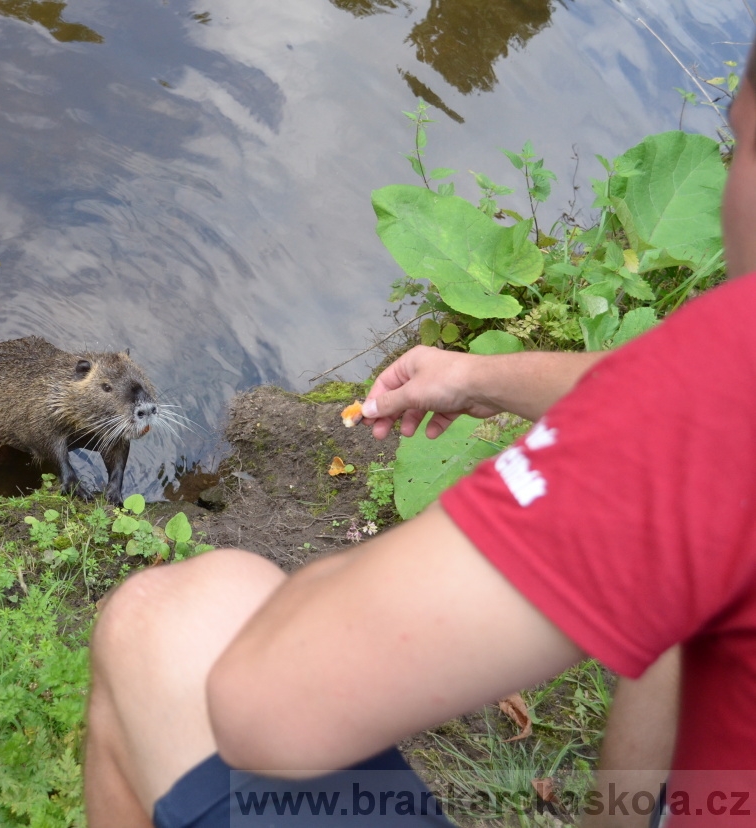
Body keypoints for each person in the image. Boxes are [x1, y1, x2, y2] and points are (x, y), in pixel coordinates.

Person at [83, 41, 756, 828]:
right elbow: (680, 395)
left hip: (269, 700)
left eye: (738, 142)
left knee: (157, 619)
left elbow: (263, 710)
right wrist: (483, 378)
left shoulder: (724, 382)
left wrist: (401, 559)